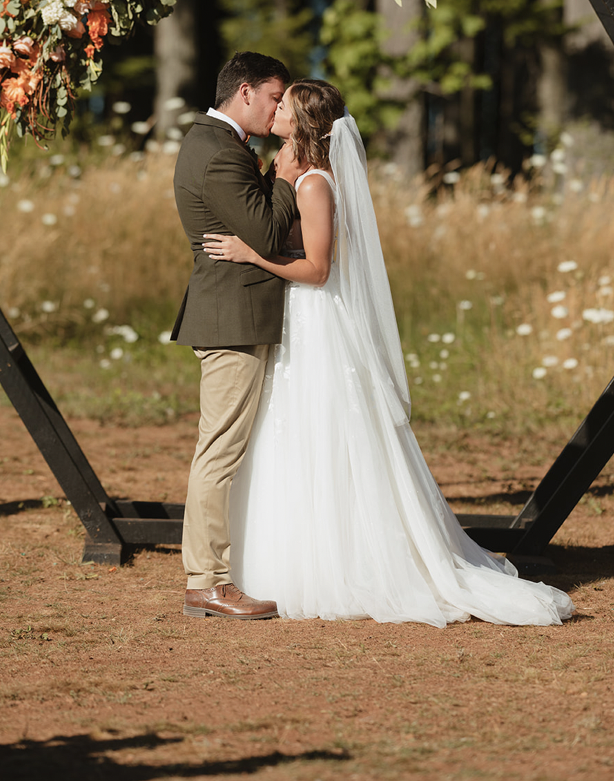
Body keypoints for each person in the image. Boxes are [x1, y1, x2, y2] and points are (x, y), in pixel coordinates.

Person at [203, 79, 574, 626]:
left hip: (315, 316)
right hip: (299, 318)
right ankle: (281, 558)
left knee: (323, 430)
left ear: (302, 122)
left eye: (284, 106)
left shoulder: (314, 186)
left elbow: (317, 269)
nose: (274, 109)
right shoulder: (296, 174)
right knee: (293, 432)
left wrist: (252, 258)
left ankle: (341, 563)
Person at [171, 51, 309, 619]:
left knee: (228, 448)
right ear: (245, 91)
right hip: (231, 316)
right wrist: (283, 173)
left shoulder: (217, 144)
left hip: (240, 312)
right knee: (219, 451)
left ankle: (222, 571)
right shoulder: (219, 153)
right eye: (276, 98)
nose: (280, 110)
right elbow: (270, 232)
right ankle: (207, 580)